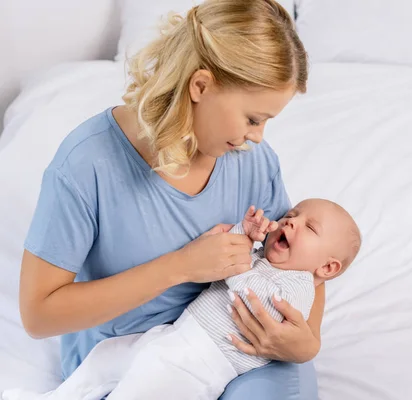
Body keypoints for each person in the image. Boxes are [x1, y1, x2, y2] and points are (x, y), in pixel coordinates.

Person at [17, 1, 322, 398]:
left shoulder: (252, 160)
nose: (258, 136)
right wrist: (180, 267)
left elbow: (302, 261)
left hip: (235, 348)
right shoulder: (87, 164)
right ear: (200, 86)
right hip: (128, 358)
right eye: (252, 119)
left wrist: (307, 341)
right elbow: (39, 314)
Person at [4, 200, 361, 400]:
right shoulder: (261, 258)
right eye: (292, 216)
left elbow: (256, 301)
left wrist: (230, 263)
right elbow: (230, 257)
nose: (292, 222)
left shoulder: (300, 287)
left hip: (198, 366)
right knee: (104, 359)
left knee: (138, 391)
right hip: (170, 338)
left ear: (327, 268)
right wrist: (243, 234)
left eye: (309, 227)